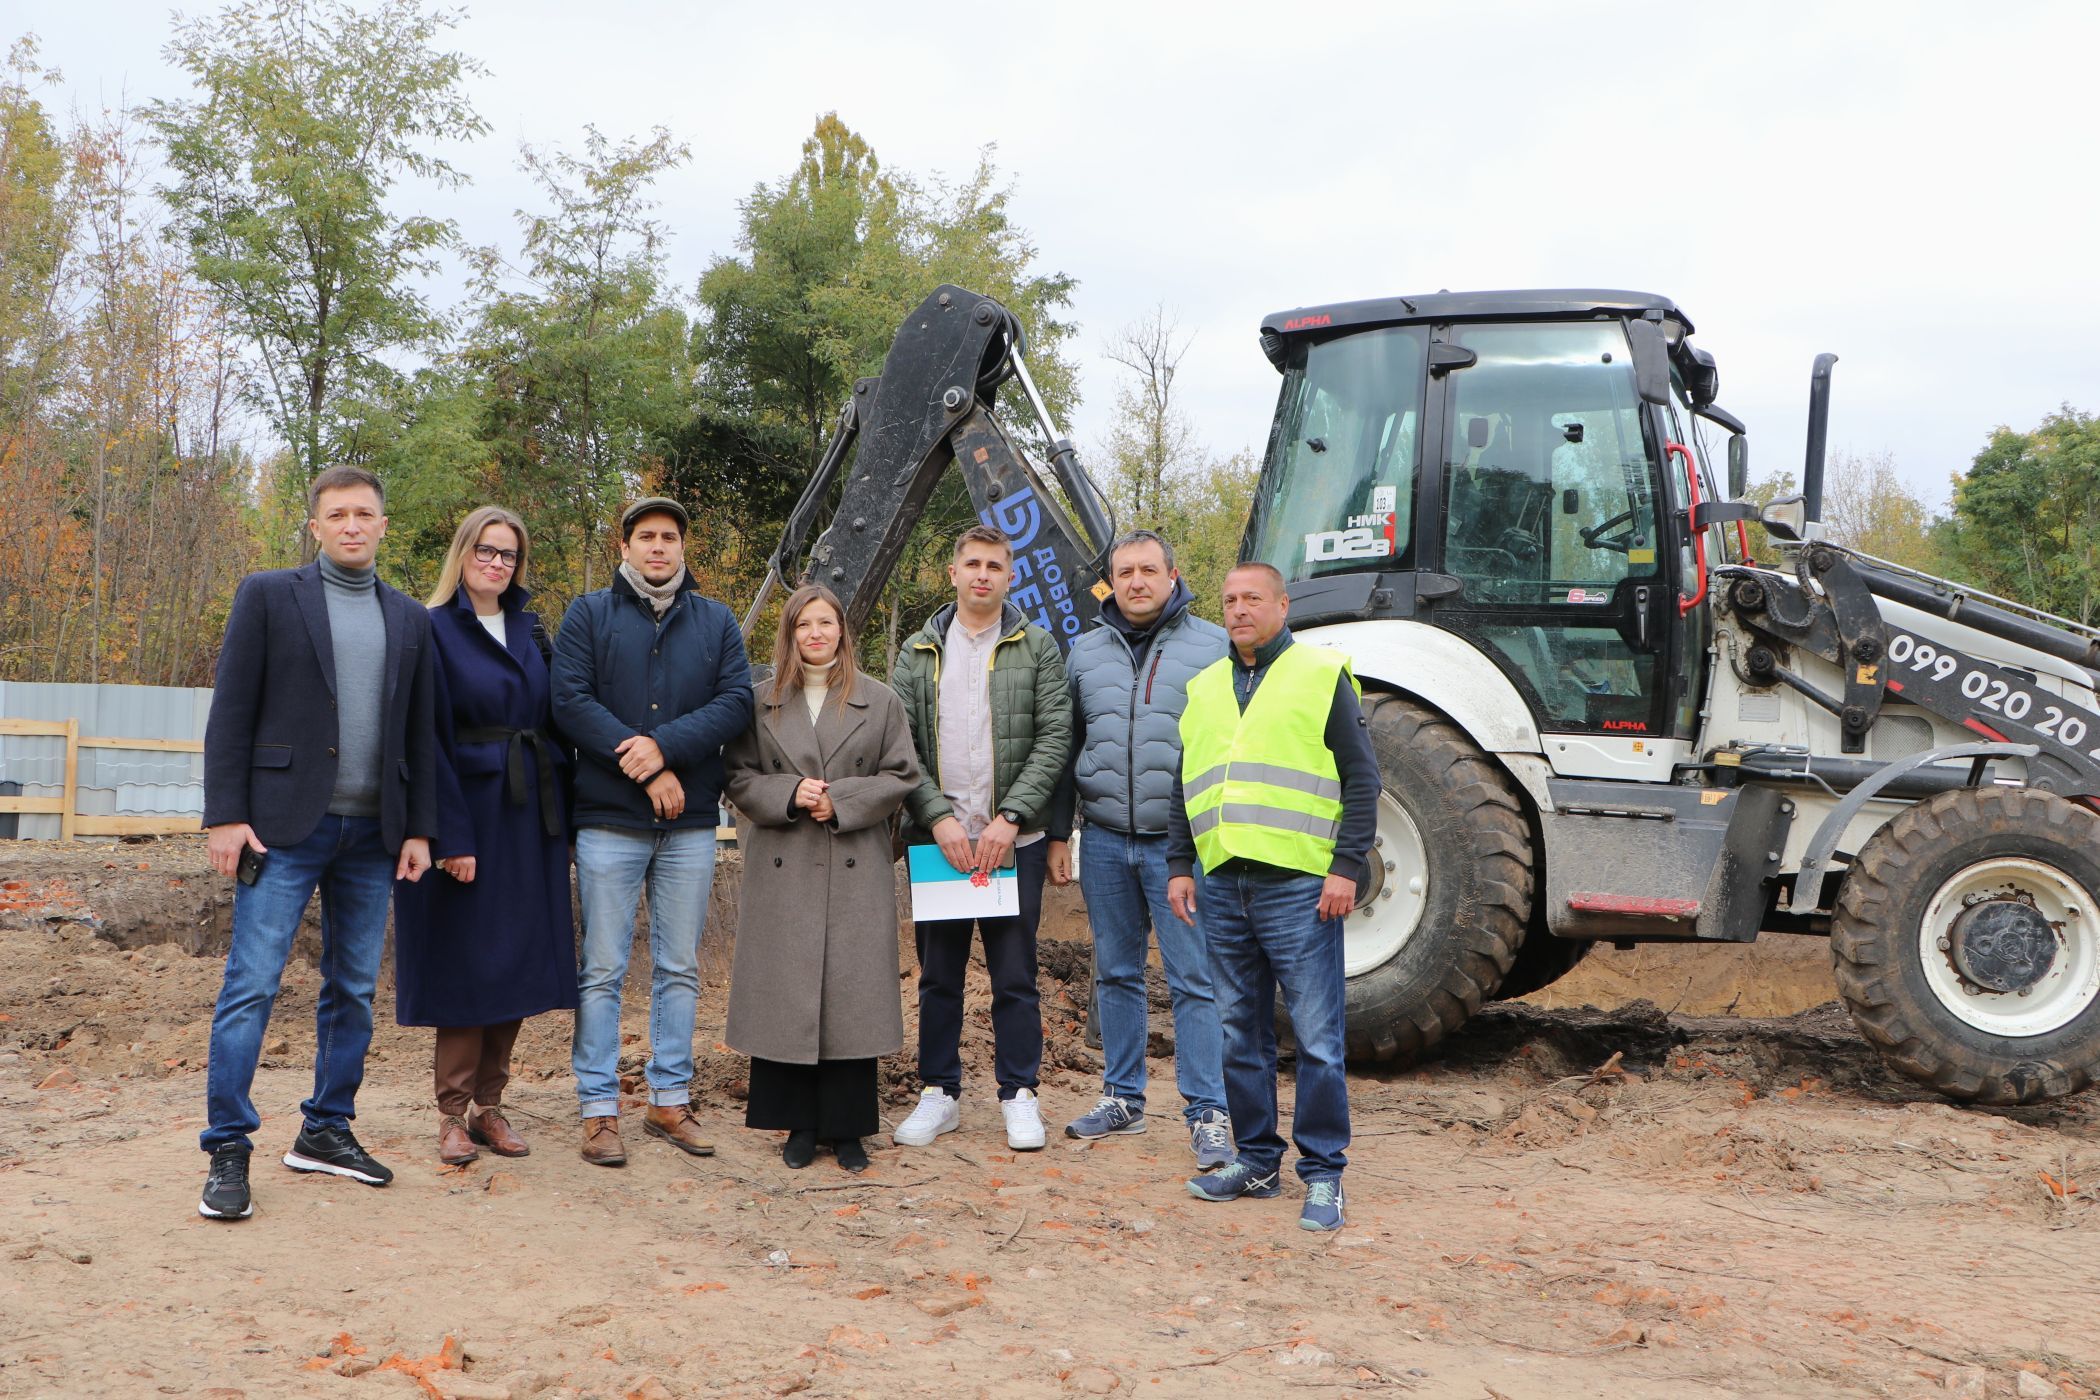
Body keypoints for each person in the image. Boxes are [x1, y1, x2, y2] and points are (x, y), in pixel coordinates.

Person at [196, 465, 437, 1221]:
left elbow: (421, 735)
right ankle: (229, 1144)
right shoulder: (269, 596)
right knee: (252, 985)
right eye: (338, 515)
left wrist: (421, 828)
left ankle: (326, 1129)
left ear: (383, 525)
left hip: (375, 835)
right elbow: (231, 710)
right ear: (316, 526)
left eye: (365, 513)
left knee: (354, 990)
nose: (353, 526)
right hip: (280, 828)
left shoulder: (410, 619)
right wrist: (224, 815)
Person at [1165, 561, 1379, 1233]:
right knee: (1239, 1033)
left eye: (1252, 598)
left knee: (1317, 1037)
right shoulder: (1203, 688)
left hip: (1299, 888)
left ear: (1283, 606)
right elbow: (1186, 785)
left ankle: (1323, 1174)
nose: (1238, 609)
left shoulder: (1319, 675)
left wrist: (1347, 866)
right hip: (1224, 884)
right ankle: (1257, 1160)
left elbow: (1362, 779)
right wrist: (1180, 864)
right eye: (1228, 599)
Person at [551, 497, 754, 1167]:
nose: (658, 547)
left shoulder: (716, 621)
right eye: (647, 536)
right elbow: (571, 700)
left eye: (669, 536)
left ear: (682, 547)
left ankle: (669, 1100)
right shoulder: (589, 615)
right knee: (603, 968)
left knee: (678, 968)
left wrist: (662, 749)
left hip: (690, 824)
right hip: (609, 822)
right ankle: (599, 1110)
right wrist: (642, 767)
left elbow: (734, 702)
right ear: (627, 546)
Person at [393, 506, 577, 1166]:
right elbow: (427, 738)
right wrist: (450, 838)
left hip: (531, 817)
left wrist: (573, 818)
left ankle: (490, 1107)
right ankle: (450, 1113)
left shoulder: (531, 629)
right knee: (467, 962)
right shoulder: (431, 629)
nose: (497, 564)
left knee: (519, 959)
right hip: (468, 813)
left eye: (509, 555)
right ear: (463, 554)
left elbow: (556, 722)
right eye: (487, 551)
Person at [1046, 531, 1233, 1167]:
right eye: (1124, 572)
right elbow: (1064, 748)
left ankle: (1208, 1111)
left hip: (1180, 849)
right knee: (1116, 972)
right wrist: (1058, 833)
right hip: (1101, 839)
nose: (1136, 582)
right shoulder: (1085, 652)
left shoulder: (1214, 647)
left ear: (1173, 576)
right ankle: (1123, 1098)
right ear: (1111, 581)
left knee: (1192, 979)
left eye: (1148, 570)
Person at [722, 585, 920, 1173]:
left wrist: (845, 799)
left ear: (842, 631)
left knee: (850, 1000)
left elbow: (902, 773)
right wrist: (789, 791)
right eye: (804, 624)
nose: (815, 633)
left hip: (852, 863)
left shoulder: (880, 702)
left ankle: (849, 1129)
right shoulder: (758, 703)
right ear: (789, 633)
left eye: (826, 623)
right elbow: (736, 776)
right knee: (788, 997)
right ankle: (799, 1126)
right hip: (783, 865)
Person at [889, 524, 1072, 1152]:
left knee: (1014, 975)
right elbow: (900, 746)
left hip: (1010, 847)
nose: (983, 575)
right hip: (940, 845)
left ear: (1010, 575)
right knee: (938, 976)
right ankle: (939, 1094)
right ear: (953, 573)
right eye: (972, 563)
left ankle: (1019, 1095)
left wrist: (1012, 817)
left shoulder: (1038, 647)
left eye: (995, 565)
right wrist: (937, 816)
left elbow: (1054, 738)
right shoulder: (917, 652)